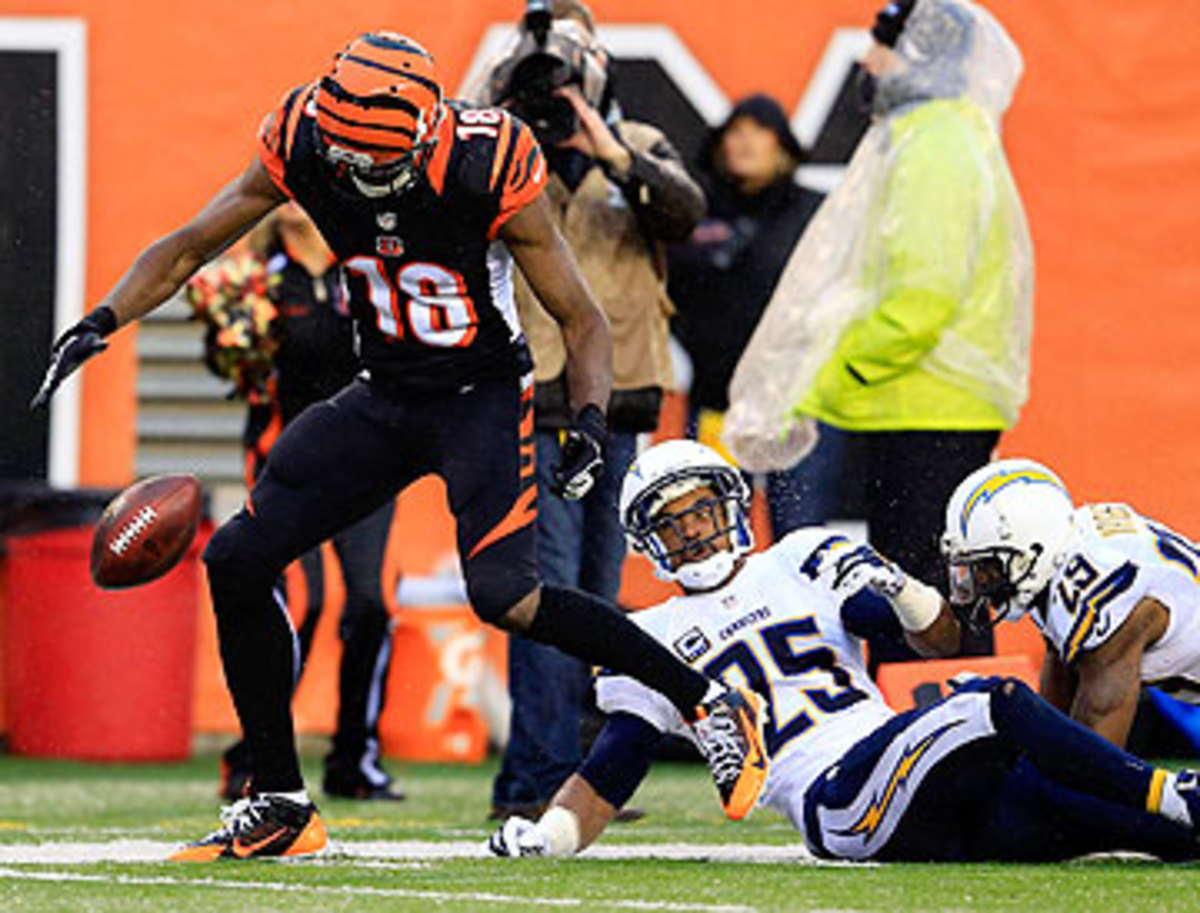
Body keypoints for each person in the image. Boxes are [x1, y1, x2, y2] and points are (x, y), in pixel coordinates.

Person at [29, 31, 769, 861]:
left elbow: (582, 318)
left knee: (507, 594)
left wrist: (590, 423)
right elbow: (195, 242)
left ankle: (706, 700)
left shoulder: (488, 162)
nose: (359, 176)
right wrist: (102, 320)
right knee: (236, 559)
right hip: (384, 392)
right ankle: (278, 797)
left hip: (480, 395)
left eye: (379, 161)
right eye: (348, 158)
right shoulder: (304, 136)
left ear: (424, 134)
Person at [487, 440, 1200, 863]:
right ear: (649, 544)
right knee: (995, 700)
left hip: (922, 782)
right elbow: (612, 765)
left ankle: (1171, 807)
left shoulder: (797, 559)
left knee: (1139, 828)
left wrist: (897, 585)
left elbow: (939, 640)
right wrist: (549, 835)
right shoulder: (655, 632)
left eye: (702, 508)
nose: (695, 532)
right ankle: (1167, 786)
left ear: (732, 505)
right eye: (672, 525)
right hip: (840, 802)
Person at [722, 0, 1034, 671]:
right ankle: (947, 752)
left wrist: (822, 383)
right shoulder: (938, 135)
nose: (868, 61)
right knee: (933, 592)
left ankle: (948, 756)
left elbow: (920, 300)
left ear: (920, 55)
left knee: (926, 603)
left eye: (883, 47)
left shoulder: (935, 143)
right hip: (922, 401)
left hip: (925, 404)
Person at [478, 0, 705, 821]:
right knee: (549, 598)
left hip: (621, 405)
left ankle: (568, 773)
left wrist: (607, 152)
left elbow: (685, 212)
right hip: (536, 404)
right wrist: (510, 121)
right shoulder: (498, 150)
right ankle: (537, 778)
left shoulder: (638, 145)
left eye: (574, 54)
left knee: (599, 603)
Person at [187, 203, 403, 802]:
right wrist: (234, 340)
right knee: (300, 605)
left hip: (366, 460)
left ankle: (354, 759)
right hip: (287, 462)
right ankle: (256, 756)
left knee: (372, 604)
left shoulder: (362, 269)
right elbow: (228, 364)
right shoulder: (255, 278)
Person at [941, 457, 1200, 750]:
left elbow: (1094, 759)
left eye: (988, 566)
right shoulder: (1063, 555)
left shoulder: (1104, 599)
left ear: (1033, 547)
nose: (982, 582)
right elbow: (1060, 673)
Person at [667, 93, 830, 535]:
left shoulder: (815, 213)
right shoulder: (694, 210)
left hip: (796, 404)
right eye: (736, 132)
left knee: (799, 539)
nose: (745, 142)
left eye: (760, 131)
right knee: (713, 538)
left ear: (783, 146)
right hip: (718, 400)